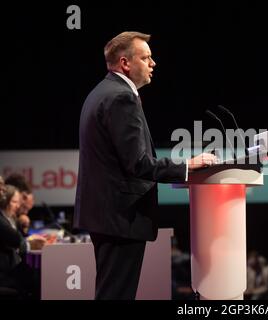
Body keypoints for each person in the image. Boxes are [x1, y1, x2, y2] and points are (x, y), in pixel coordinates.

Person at [74, 31, 216, 300]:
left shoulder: (101, 92)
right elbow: (138, 163)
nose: (153, 63)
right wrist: (186, 166)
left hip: (107, 216)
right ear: (125, 63)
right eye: (146, 57)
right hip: (120, 218)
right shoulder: (120, 97)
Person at [0, 178, 45, 299]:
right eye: (15, 202)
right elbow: (16, 240)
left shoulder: (11, 219)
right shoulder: (3, 220)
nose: (18, 205)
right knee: (39, 276)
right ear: (7, 201)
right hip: (5, 274)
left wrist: (24, 233)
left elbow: (18, 239)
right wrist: (29, 243)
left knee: (38, 273)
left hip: (10, 269)